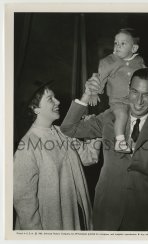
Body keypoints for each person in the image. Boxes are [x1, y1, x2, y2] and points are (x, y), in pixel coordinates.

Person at [60, 67, 148, 231]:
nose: (138, 101)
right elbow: (69, 129)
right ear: (128, 90)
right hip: (106, 213)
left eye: (146, 95)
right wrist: (86, 95)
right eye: (134, 92)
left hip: (144, 218)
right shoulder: (110, 117)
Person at [13, 80, 101, 230]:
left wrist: (95, 133)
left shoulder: (62, 132)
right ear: (35, 109)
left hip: (75, 219)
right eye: (50, 99)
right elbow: (24, 203)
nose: (58, 101)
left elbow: (88, 157)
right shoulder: (27, 146)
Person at [88, 28, 148, 153]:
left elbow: (147, 74)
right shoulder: (109, 62)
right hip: (118, 100)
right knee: (122, 115)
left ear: (134, 49)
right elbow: (99, 77)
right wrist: (94, 92)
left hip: (135, 97)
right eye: (116, 43)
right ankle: (120, 141)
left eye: (123, 43)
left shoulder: (139, 60)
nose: (117, 46)